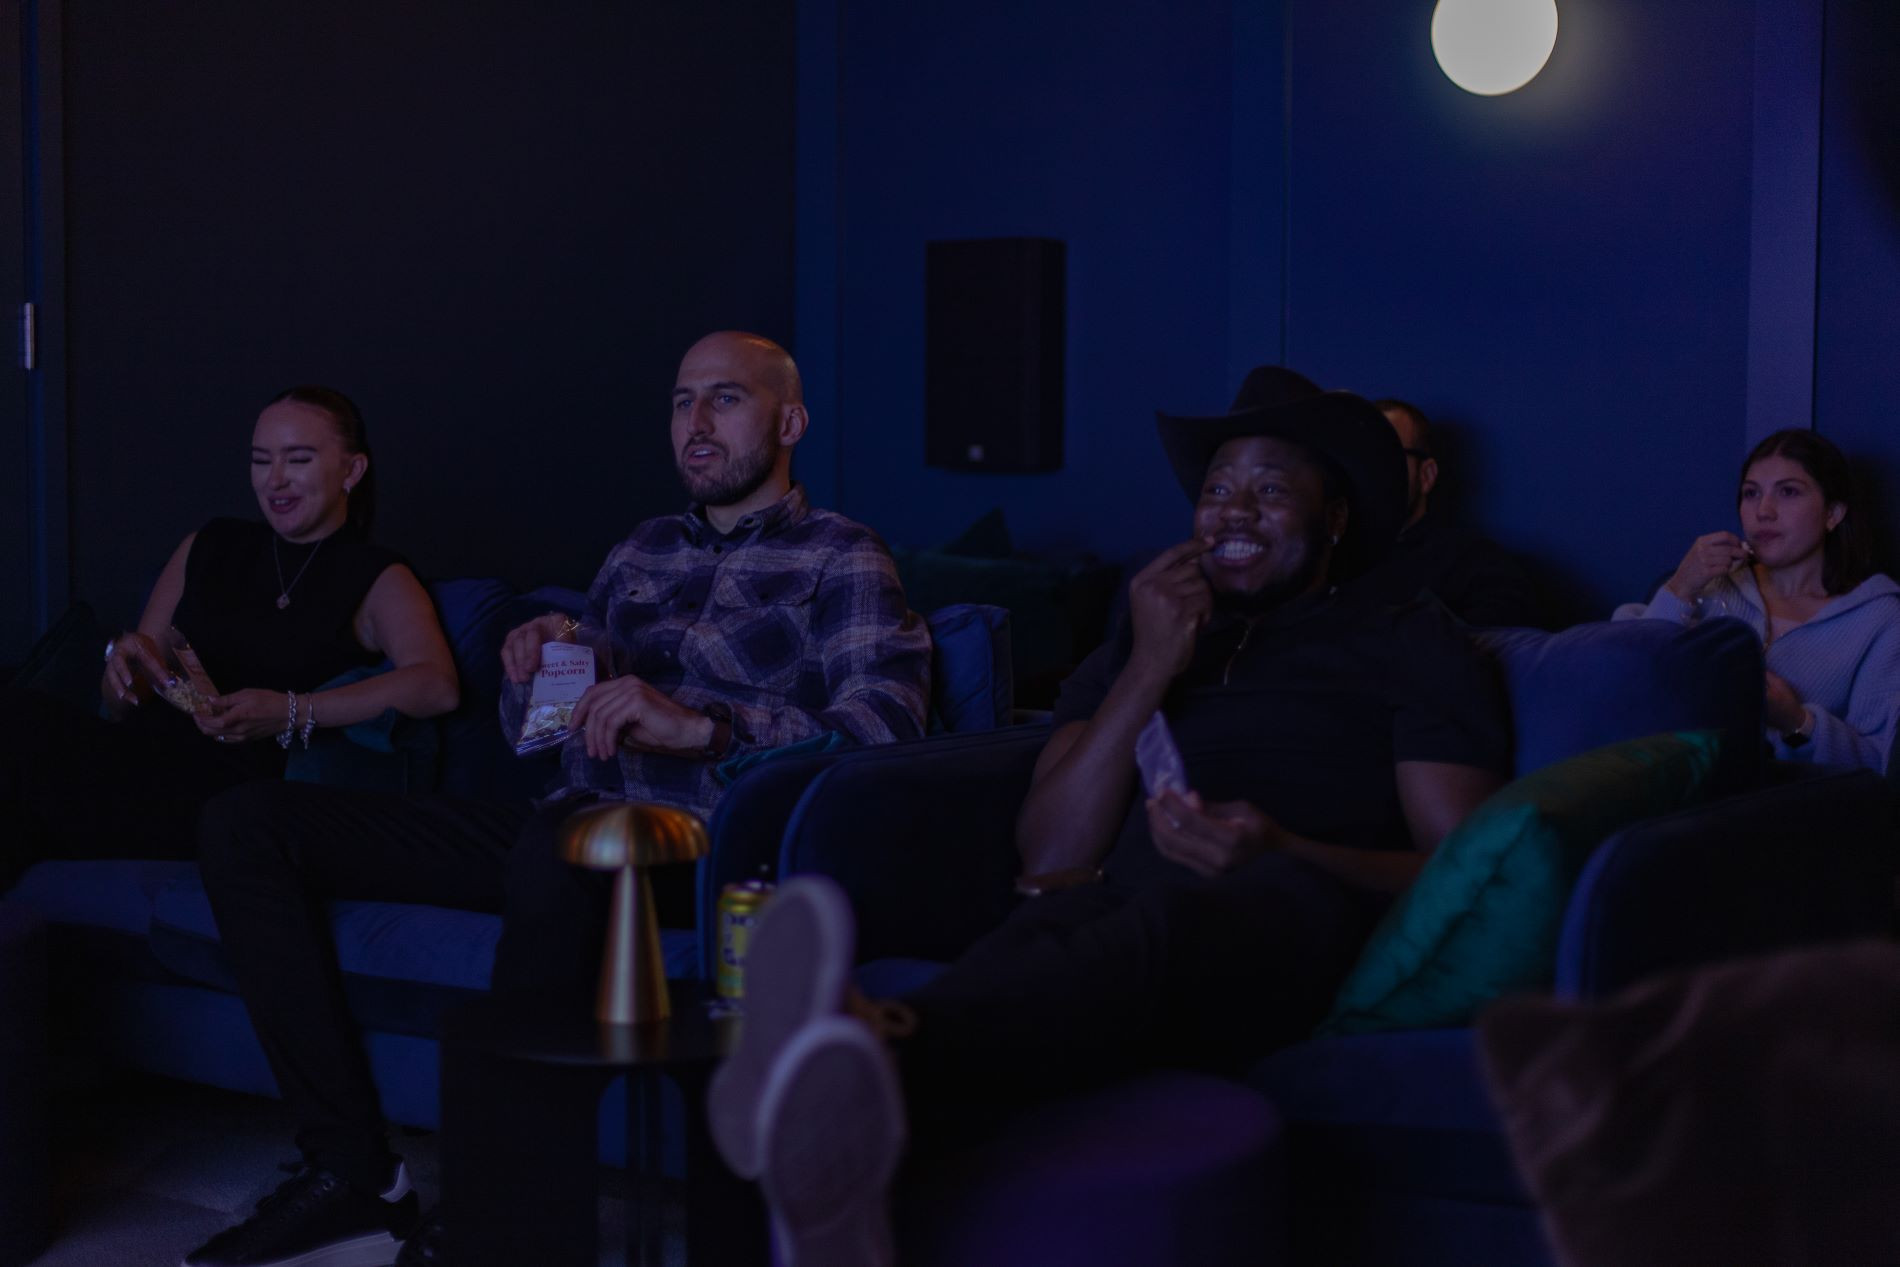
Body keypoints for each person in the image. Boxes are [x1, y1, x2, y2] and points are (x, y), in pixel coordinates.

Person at [705, 375, 1512, 1266]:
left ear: (1336, 519)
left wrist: (1282, 845)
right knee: (1052, 923)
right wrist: (1151, 665)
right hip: (1118, 907)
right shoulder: (1150, 630)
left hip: (1298, 912)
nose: (1234, 511)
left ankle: (871, 1048)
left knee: (1165, 920)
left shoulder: (1410, 637)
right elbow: (1050, 852)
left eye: (1271, 489)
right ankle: (848, 1170)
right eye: (1217, 488)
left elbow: (1467, 873)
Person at [183, 331, 932, 1267]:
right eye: (681, 400)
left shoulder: (842, 556)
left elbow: (886, 732)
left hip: (707, 842)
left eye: (726, 398)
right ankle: (352, 1171)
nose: (695, 422)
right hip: (566, 821)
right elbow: (541, 737)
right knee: (249, 823)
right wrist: (538, 667)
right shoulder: (641, 550)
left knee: (563, 843)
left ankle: (503, 1212)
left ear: (791, 422)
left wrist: (704, 727)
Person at [0, 386, 460, 892]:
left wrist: (292, 709)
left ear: (351, 471)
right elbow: (121, 704)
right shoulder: (209, 544)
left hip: (232, 796)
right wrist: (124, 666)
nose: (275, 479)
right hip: (133, 755)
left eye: (298, 459)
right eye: (261, 460)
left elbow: (436, 685)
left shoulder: (377, 576)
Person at [1614, 428, 1900, 773]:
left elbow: (1877, 765)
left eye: (1788, 492)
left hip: (1777, 796)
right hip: (1662, 771)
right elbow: (1624, 682)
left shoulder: (1879, 619)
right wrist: (1680, 587)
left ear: (1832, 513)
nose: (1763, 511)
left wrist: (1795, 721)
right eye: (1751, 493)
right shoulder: (1713, 585)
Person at [1360, 396, 1537, 626]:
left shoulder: (1479, 566)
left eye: (1387, 455)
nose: (1370, 470)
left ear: (1426, 475)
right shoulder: (1330, 560)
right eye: (1361, 457)